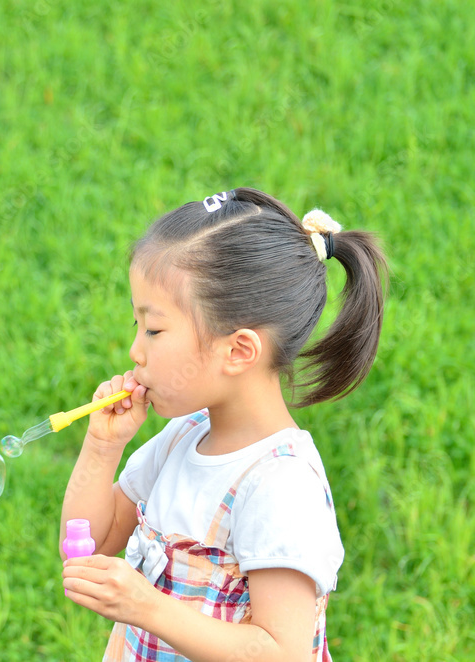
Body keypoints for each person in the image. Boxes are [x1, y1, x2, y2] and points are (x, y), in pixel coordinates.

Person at [60, 188, 386, 661]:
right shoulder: (183, 438)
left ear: (237, 351)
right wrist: (101, 446)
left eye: (153, 329)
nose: (136, 350)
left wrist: (146, 606)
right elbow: (89, 546)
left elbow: (281, 651)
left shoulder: (281, 486)